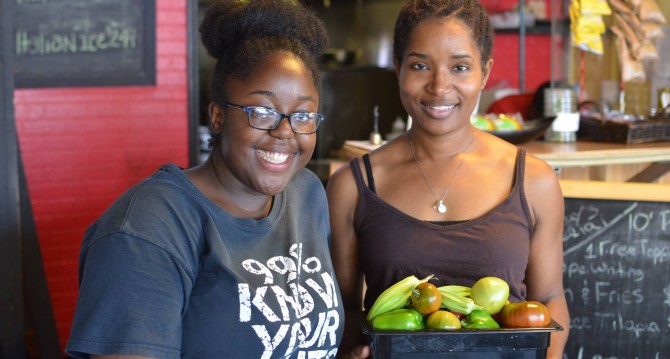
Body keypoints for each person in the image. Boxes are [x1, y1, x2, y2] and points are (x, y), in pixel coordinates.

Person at [65, 1, 343, 358]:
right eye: (262, 112)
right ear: (217, 117)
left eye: (302, 115)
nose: (285, 131)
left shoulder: (307, 193)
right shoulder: (146, 230)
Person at [326, 0, 570, 358]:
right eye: (420, 65)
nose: (439, 87)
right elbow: (342, 310)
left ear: (484, 73)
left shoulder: (534, 180)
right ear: (398, 69)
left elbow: (550, 298)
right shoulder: (351, 185)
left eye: (460, 67)